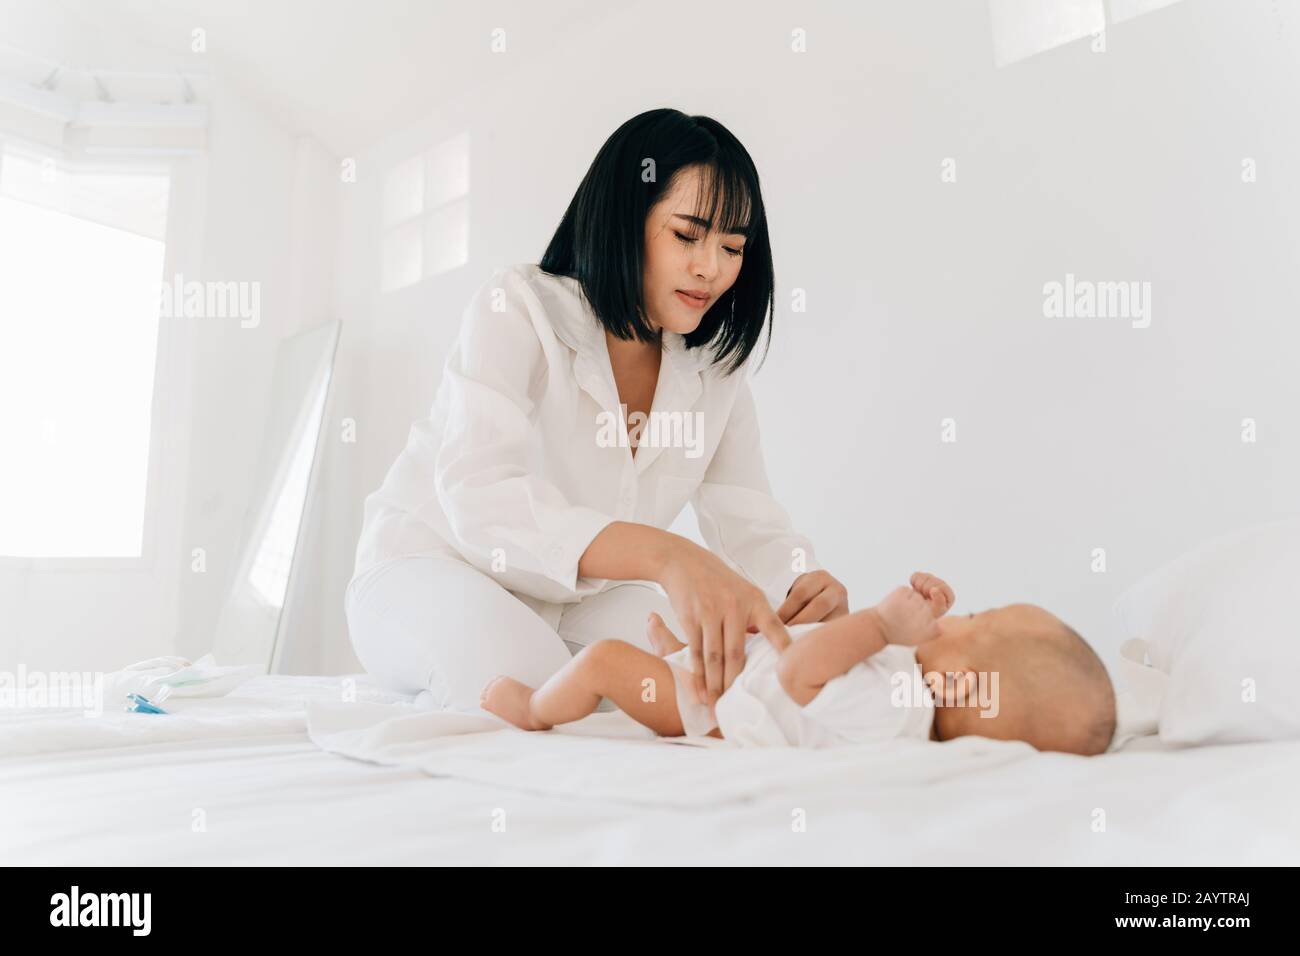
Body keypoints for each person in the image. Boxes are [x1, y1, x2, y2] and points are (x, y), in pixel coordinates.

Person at [346, 109, 847, 713]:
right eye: (687, 235)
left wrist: (801, 583)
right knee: (525, 682)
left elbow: (750, 520)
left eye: (732, 247)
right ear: (624, 220)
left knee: (723, 679)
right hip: (429, 563)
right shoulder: (518, 308)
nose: (711, 268)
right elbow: (480, 495)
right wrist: (666, 555)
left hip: (576, 600)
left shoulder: (715, 370)